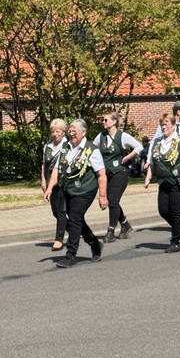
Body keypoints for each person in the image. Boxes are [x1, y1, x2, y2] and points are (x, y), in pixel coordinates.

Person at [46, 119, 107, 268]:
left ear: (83, 132)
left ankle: (71, 255)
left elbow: (101, 174)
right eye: (70, 131)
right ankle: (94, 243)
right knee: (75, 219)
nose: (71, 134)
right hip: (68, 188)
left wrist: (102, 196)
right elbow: (56, 169)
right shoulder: (65, 147)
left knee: (74, 218)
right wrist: (49, 188)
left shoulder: (91, 150)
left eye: (75, 131)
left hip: (85, 190)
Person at [145, 106, 180, 252]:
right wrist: (148, 177)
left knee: (176, 211)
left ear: (173, 126)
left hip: (178, 180)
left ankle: (175, 241)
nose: (163, 127)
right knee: (163, 210)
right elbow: (152, 162)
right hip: (163, 181)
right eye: (162, 124)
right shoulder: (157, 142)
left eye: (166, 124)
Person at [94, 111, 143, 242]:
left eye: (106, 120)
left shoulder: (122, 136)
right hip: (107, 173)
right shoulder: (101, 137)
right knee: (112, 201)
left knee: (113, 200)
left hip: (120, 172)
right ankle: (125, 224)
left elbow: (139, 147)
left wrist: (127, 157)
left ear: (114, 122)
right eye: (103, 120)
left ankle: (111, 230)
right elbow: (93, 150)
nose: (103, 122)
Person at [41, 119, 70, 253]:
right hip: (50, 183)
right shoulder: (47, 147)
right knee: (55, 212)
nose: (55, 134)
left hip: (63, 183)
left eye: (57, 131)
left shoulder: (68, 145)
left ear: (63, 132)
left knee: (61, 211)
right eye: (53, 131)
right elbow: (44, 165)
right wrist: (43, 181)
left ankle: (59, 239)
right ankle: (75, 229)